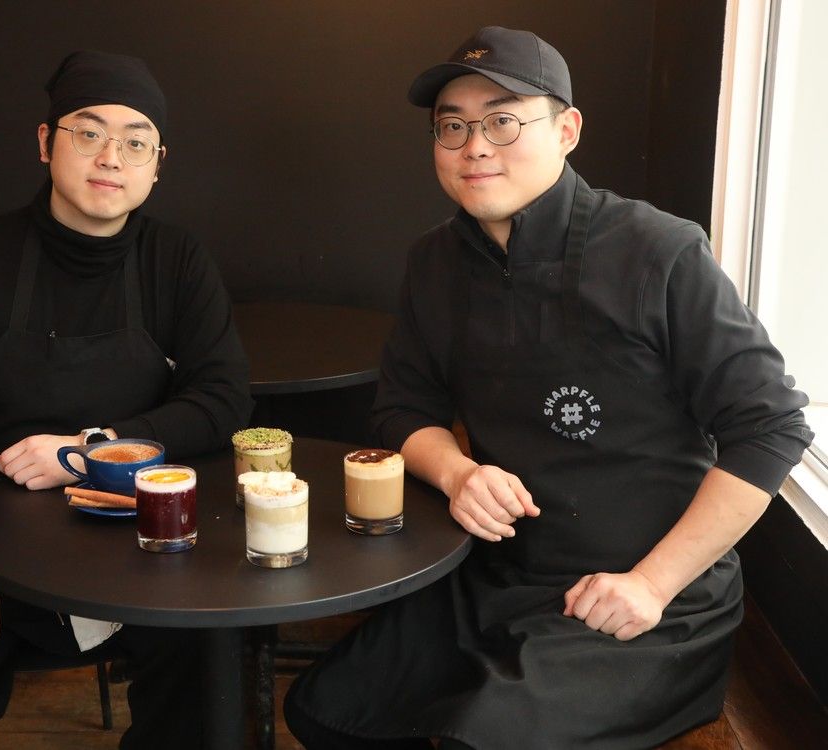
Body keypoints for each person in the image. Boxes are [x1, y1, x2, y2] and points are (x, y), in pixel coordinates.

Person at [284, 25, 814, 749]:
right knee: (325, 711)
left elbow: (772, 426)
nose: (475, 145)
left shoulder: (659, 250)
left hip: (646, 597)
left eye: (503, 120)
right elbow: (403, 408)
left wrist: (654, 585)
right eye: (453, 126)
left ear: (566, 131)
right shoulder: (435, 262)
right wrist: (459, 471)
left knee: (482, 739)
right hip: (498, 574)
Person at [0, 50, 252, 749]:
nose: (112, 156)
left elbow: (223, 400)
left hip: (143, 543)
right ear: (47, 142)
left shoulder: (177, 262)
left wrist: (89, 453)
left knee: (205, 675)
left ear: (156, 162)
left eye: (135, 141)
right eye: (89, 132)